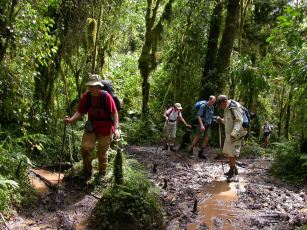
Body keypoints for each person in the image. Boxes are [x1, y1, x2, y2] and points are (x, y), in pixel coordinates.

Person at [64, 74, 120, 181]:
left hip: (106, 127)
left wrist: (116, 129)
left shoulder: (106, 96)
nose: (93, 88)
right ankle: (87, 171)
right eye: (91, 86)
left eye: (95, 86)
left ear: (99, 86)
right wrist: (71, 120)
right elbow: (80, 111)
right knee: (85, 148)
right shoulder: (87, 96)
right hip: (92, 126)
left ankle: (101, 174)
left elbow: (114, 112)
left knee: (102, 152)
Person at [216, 95, 247, 180]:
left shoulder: (234, 107)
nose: (220, 107)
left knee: (232, 152)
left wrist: (234, 132)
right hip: (230, 133)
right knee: (229, 151)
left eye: (220, 105)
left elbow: (239, 120)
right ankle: (233, 169)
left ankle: (232, 171)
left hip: (237, 133)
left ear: (225, 102)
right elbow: (228, 121)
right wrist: (221, 120)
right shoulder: (226, 108)